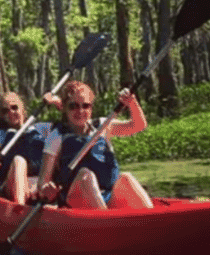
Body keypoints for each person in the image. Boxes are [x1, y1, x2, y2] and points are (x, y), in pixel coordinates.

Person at [36, 81, 153, 209]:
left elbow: (139, 125)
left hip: (107, 196)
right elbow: (42, 183)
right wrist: (47, 190)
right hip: (75, 200)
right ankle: (106, 223)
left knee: (126, 178)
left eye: (85, 106)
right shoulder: (56, 136)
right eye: (73, 106)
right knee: (86, 176)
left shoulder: (103, 125)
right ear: (64, 108)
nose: (80, 111)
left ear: (91, 108)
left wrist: (132, 102)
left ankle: (153, 221)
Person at [0, 92, 54, 204]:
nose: (10, 112)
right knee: (19, 161)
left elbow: (68, 124)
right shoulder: (0, 134)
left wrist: (56, 101)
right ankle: (19, 208)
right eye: (5, 111)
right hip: (12, 184)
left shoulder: (42, 128)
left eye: (14, 108)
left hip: (39, 184)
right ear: (2, 115)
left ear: (22, 108)